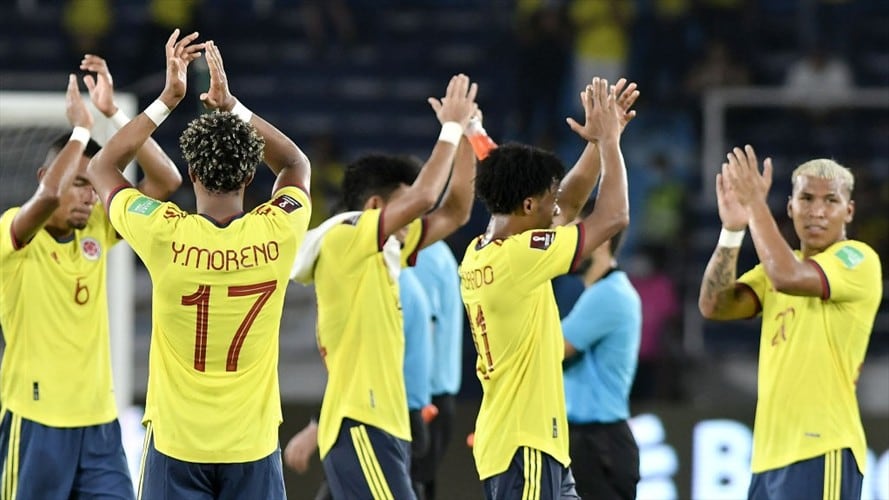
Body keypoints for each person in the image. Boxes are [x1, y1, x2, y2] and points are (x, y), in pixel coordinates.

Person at [85, 32, 312, 499]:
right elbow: (293, 162)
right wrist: (232, 106)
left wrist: (168, 100)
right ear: (251, 175)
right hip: (251, 443)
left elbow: (103, 170)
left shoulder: (164, 231)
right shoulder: (278, 230)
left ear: (191, 173)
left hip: (176, 442)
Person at [286, 75, 478, 499]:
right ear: (375, 206)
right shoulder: (345, 240)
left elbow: (457, 211)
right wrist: (449, 126)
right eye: (403, 208)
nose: (414, 225)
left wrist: (465, 135)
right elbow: (428, 195)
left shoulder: (382, 255)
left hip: (383, 425)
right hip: (362, 424)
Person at [0, 56, 182, 498]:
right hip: (37, 418)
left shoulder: (98, 229)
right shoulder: (14, 233)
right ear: (48, 175)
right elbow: (44, 201)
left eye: (91, 185)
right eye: (78, 182)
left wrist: (112, 116)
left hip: (99, 424)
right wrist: (81, 131)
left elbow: (167, 180)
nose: (88, 195)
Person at [459, 76, 637, 499]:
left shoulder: (481, 251)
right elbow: (612, 217)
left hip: (526, 443)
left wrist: (595, 143)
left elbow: (570, 202)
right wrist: (610, 142)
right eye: (548, 198)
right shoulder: (522, 258)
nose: (558, 207)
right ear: (527, 206)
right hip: (526, 445)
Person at [698, 146, 881, 500]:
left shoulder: (857, 260)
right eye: (806, 198)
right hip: (768, 456)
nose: (816, 211)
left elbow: (787, 276)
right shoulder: (781, 265)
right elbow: (714, 305)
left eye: (831, 200)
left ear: (849, 211)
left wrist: (755, 207)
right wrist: (732, 231)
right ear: (791, 207)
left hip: (821, 448)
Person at [562, 199, 641, 500]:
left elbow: (551, 350)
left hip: (598, 444)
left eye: (575, 235)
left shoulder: (609, 295)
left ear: (601, 239)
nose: (568, 246)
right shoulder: (599, 293)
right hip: (590, 440)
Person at [410, 239, 464, 500]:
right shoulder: (437, 250)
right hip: (432, 400)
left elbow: (424, 330)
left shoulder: (424, 254)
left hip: (422, 402)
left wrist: (416, 403)